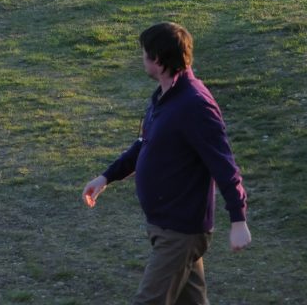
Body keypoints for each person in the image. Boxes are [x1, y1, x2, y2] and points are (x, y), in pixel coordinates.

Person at [82, 22, 251, 305]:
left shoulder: (194, 105)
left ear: (158, 61)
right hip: (166, 226)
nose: (142, 59)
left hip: (180, 231)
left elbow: (224, 165)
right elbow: (144, 144)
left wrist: (238, 219)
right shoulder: (164, 97)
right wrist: (106, 177)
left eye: (144, 54)